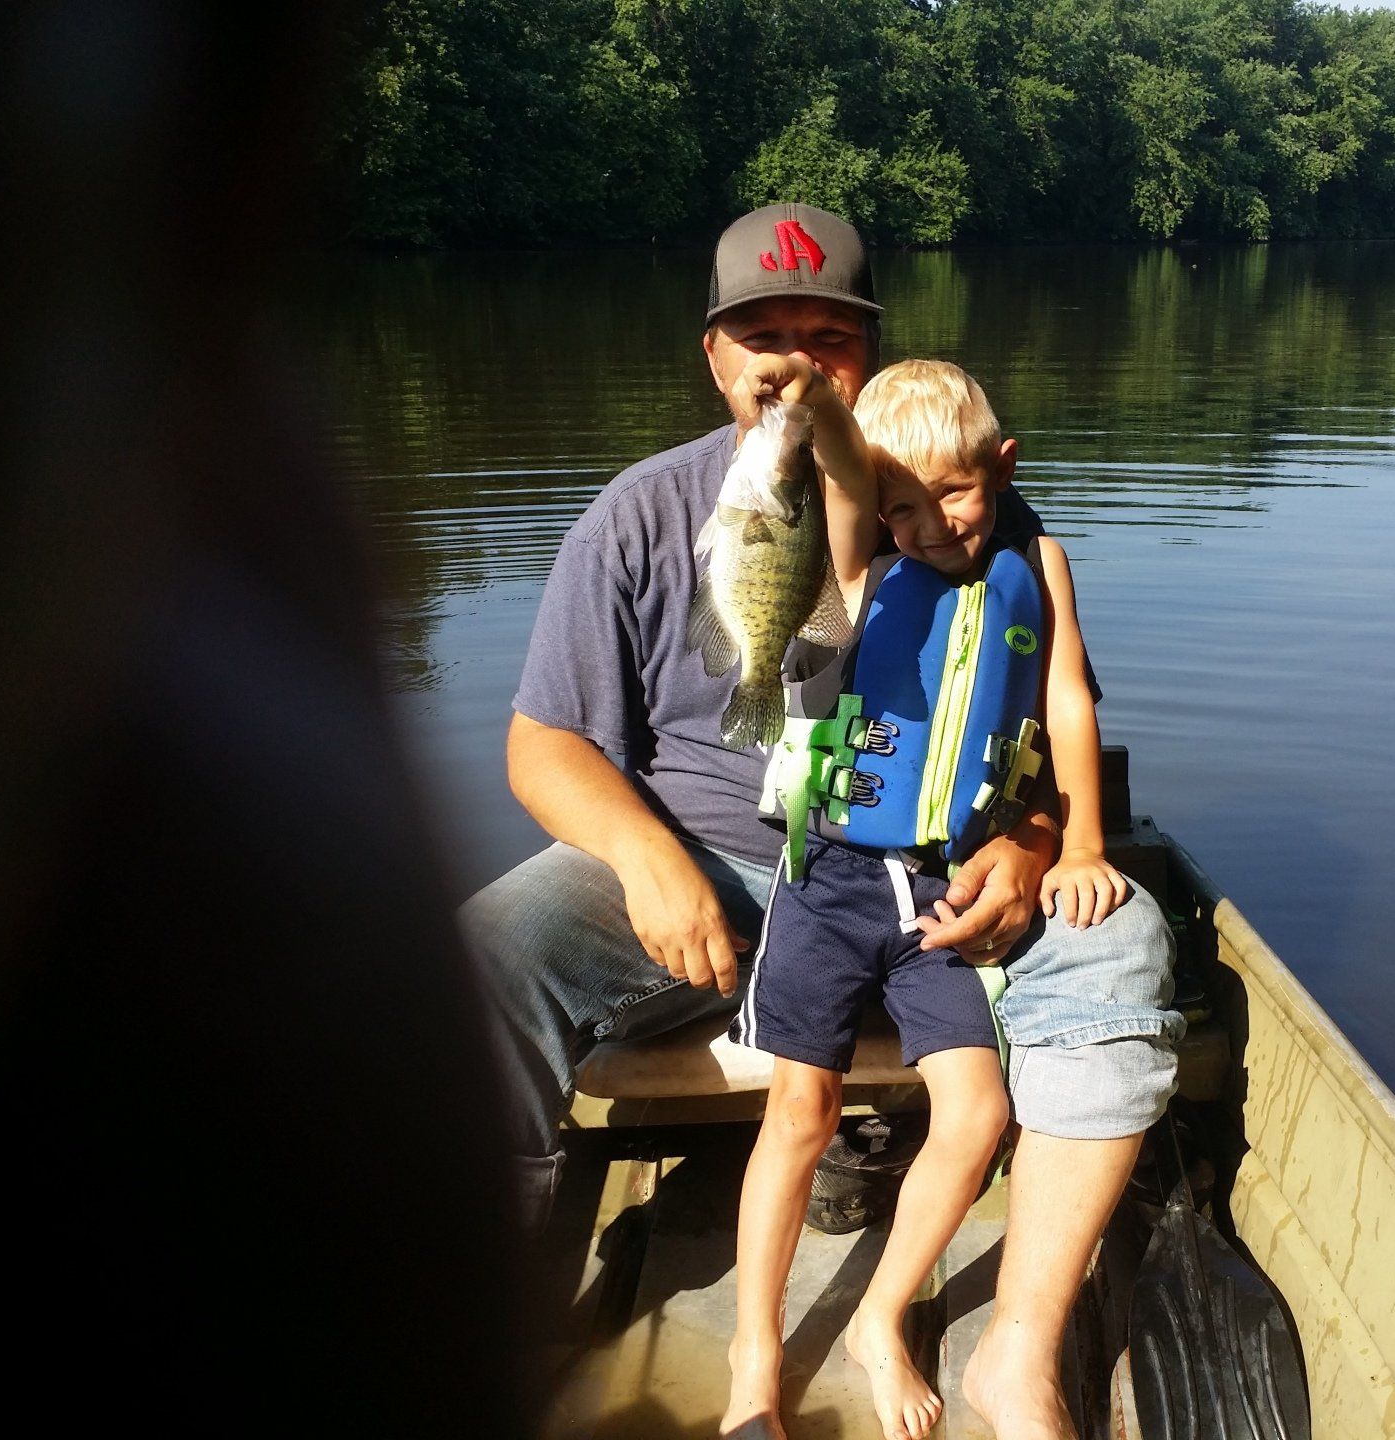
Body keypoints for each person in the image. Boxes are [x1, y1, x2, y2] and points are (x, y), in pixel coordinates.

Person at [460, 203, 1184, 1440]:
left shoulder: (969, 512)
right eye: (761, 336)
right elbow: (544, 744)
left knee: (1121, 941)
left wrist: (1023, 845)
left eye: (825, 337)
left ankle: (1017, 1351)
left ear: (868, 355)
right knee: (477, 963)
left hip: (937, 886)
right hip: (714, 872)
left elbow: (1040, 718)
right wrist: (647, 860)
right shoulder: (642, 513)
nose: (790, 362)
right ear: (714, 357)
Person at [718, 358, 1135, 1440]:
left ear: (1003, 466)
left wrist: (1080, 841)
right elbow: (853, 469)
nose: (927, 524)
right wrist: (810, 409)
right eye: (901, 503)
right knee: (799, 1114)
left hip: (943, 888)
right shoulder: (860, 549)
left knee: (979, 1113)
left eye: (952, 493)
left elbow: (1068, 700)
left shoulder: (1036, 557)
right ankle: (753, 1360)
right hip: (833, 879)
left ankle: (877, 1316)